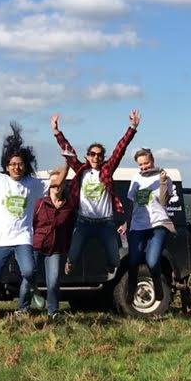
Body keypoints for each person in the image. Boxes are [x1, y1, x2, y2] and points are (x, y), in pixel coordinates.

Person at [0, 122, 61, 325]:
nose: (16, 167)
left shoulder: (32, 184)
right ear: (6, 167)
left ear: (25, 164)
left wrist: (67, 160)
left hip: (22, 237)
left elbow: (58, 181)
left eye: (20, 164)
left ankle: (34, 290)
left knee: (29, 271)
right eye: (12, 164)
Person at [52, 111, 140, 275]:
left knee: (115, 260)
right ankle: (70, 262)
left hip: (105, 223)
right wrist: (57, 132)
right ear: (87, 156)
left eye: (99, 155)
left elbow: (120, 149)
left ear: (102, 157)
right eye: (92, 154)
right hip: (84, 222)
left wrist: (132, 127)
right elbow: (68, 150)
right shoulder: (80, 170)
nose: (96, 157)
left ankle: (109, 265)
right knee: (74, 252)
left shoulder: (107, 170)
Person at [21, 163, 77, 320]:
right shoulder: (39, 203)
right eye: (53, 183)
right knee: (28, 280)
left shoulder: (69, 207)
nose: (56, 186)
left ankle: (53, 312)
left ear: (64, 185)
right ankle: (23, 308)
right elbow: (28, 224)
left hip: (56, 249)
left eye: (60, 183)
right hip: (36, 246)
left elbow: (70, 230)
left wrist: (68, 253)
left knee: (53, 282)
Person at [125, 149, 178, 306]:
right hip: (138, 225)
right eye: (140, 165)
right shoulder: (136, 178)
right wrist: (126, 222)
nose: (144, 167)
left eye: (146, 163)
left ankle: (158, 284)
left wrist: (162, 182)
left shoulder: (164, 177)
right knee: (133, 260)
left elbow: (163, 201)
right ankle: (131, 288)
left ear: (152, 160)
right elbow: (132, 202)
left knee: (152, 261)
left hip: (157, 224)